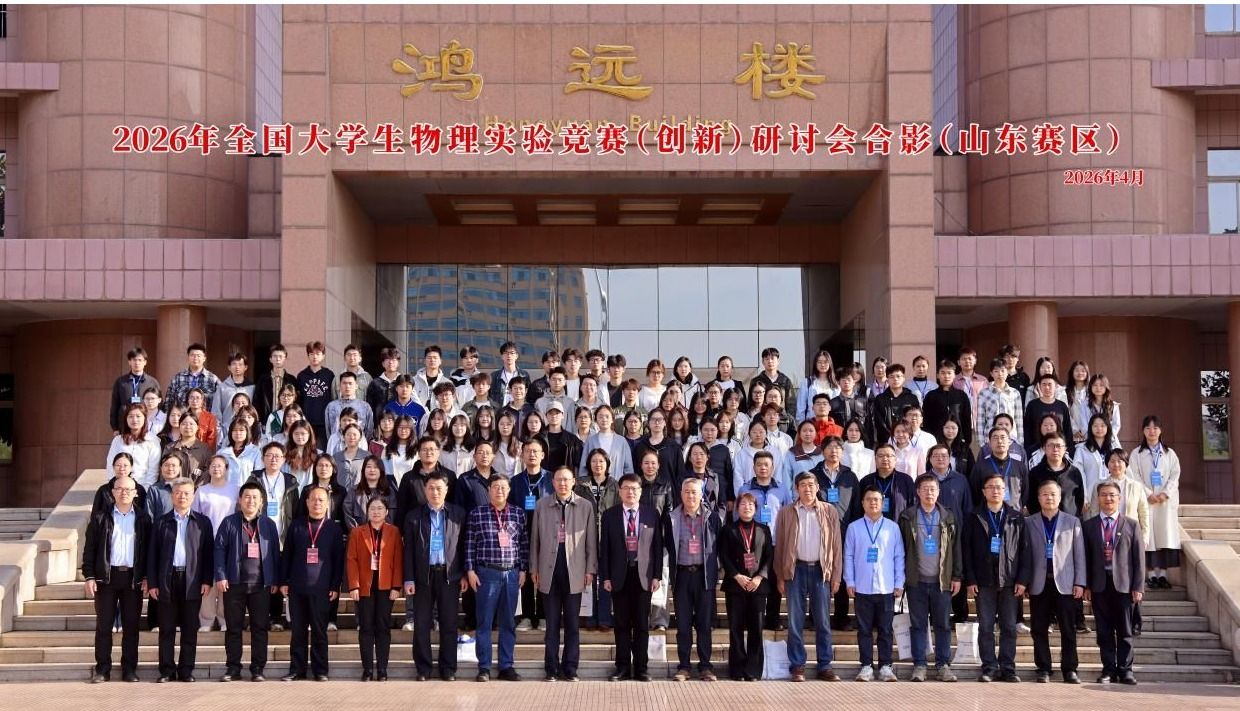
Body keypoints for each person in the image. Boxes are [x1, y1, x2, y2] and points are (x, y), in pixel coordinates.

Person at [530, 466, 597, 682]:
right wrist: (534, 568)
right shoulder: (542, 505)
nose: (562, 483)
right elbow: (534, 540)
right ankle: (551, 668)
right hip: (548, 570)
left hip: (574, 571)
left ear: (574, 481)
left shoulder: (585, 506)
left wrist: (590, 569)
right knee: (551, 625)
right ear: (553, 483)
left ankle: (570, 668)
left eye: (566, 480)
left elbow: (591, 541)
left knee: (572, 625)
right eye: (558, 480)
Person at [962, 473, 1031, 683]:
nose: (995, 491)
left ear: (1005, 491)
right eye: (991, 487)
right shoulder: (973, 517)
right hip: (983, 581)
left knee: (1009, 627)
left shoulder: (1016, 517)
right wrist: (970, 579)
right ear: (984, 492)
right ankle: (989, 667)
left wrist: (1022, 580)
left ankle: (1008, 667)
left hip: (1010, 581)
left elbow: (1025, 551)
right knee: (986, 627)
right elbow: (967, 551)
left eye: (999, 487)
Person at [775, 471, 843, 682]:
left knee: (822, 621)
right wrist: (780, 575)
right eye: (803, 485)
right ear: (796, 488)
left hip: (820, 571)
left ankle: (825, 665)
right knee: (795, 621)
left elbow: (836, 545)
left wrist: (836, 576)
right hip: (795, 570)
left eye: (811, 485)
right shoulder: (786, 512)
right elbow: (780, 545)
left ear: (817, 488)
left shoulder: (829, 511)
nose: (807, 489)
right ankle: (797, 666)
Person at [84, 475, 151, 683]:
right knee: (104, 626)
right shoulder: (100, 518)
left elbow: (149, 551)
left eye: (128, 489)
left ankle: (129, 669)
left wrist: (147, 576)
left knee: (131, 626)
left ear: (136, 493)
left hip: (132, 579)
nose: (124, 492)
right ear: (112, 492)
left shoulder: (143, 519)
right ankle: (102, 669)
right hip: (107, 578)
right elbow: (90, 549)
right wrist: (89, 576)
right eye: (119, 489)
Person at [147, 477, 214, 683]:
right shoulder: (161, 522)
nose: (182, 497)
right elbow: (152, 554)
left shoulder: (202, 522)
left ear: (193, 496)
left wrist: (207, 580)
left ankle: (186, 670)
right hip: (167, 579)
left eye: (186, 493)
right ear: (172, 496)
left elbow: (208, 554)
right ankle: (167, 670)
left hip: (192, 580)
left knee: (189, 629)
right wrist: (153, 583)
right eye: (178, 493)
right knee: (166, 629)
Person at [213, 481, 280, 682]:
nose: (251, 501)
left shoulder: (269, 525)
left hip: (261, 585)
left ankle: (258, 668)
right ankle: (233, 668)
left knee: (260, 628)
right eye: (247, 497)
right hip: (234, 584)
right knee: (234, 628)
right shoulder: (229, 523)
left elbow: (275, 554)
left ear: (261, 502)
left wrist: (274, 579)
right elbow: (219, 550)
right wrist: (221, 575)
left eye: (255, 497)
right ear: (240, 500)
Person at [404, 471, 468, 681]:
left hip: (450, 576)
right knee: (422, 624)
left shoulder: (458, 514)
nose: (435, 492)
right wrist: (409, 578)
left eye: (439, 488)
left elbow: (464, 546)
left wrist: (464, 574)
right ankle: (423, 669)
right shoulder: (414, 516)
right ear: (425, 490)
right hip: (423, 576)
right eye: (431, 488)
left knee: (449, 624)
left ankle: (448, 668)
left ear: (446, 490)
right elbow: (408, 550)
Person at [599, 473, 663, 682]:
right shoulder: (610, 515)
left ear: (640, 491)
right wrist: (605, 577)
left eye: (634, 488)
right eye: (626, 488)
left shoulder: (651, 514)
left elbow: (657, 547)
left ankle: (641, 668)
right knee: (621, 625)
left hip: (644, 576)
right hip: (619, 576)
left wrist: (657, 575)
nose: (630, 492)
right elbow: (604, 549)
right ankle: (622, 667)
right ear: (619, 491)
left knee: (642, 625)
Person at [898, 474, 961, 682]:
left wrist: (957, 575)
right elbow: (901, 549)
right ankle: (920, 665)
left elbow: (956, 548)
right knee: (918, 625)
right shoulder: (908, 516)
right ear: (918, 492)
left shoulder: (948, 517)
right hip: (916, 581)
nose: (929, 493)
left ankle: (943, 665)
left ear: (938, 492)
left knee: (943, 625)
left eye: (933, 489)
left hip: (941, 581)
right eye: (925, 489)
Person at [466, 473, 528, 682]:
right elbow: (469, 544)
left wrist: (523, 569)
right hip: (486, 574)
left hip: (511, 574)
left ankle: (506, 666)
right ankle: (484, 667)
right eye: (495, 487)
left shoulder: (518, 514)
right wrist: (470, 570)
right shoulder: (477, 514)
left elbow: (523, 544)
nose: (499, 490)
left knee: (508, 622)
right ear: (488, 490)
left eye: (503, 487)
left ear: (509, 490)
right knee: (484, 622)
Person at [280, 485, 346, 682]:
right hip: (297, 587)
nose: (317, 503)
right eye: (313, 499)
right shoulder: (297, 526)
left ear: (328, 504)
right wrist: (283, 581)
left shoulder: (334, 528)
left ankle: (320, 670)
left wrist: (335, 585)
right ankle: (296, 670)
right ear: (307, 502)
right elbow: (287, 555)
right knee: (298, 632)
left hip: (322, 588)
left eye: (321, 500)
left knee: (319, 631)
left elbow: (338, 560)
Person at [1024, 479, 1086, 684]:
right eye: (1045, 494)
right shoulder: (1029, 522)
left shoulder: (1072, 522)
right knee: (1039, 628)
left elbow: (1079, 555)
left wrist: (1080, 582)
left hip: (1066, 584)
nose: (1049, 498)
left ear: (1060, 498)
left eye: (1053, 494)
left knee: (1068, 629)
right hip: (1039, 583)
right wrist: (1025, 581)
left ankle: (1070, 669)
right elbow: (1025, 555)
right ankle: (1043, 668)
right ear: (1038, 498)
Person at [1084, 479, 1145, 685]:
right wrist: (1086, 585)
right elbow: (1086, 558)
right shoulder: (1089, 526)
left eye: (1112, 495)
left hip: (1124, 586)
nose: (1108, 498)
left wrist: (1138, 586)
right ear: (1098, 498)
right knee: (1104, 631)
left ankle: (1126, 670)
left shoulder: (1132, 525)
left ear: (1119, 499)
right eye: (1104, 495)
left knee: (1125, 631)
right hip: (1099, 585)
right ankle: (1108, 669)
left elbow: (1139, 559)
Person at [665, 477, 722, 682]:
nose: (690, 496)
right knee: (683, 624)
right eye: (687, 492)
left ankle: (705, 666)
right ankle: (684, 666)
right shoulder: (671, 518)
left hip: (703, 576)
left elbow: (720, 546)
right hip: (681, 576)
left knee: (704, 624)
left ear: (701, 495)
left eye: (694, 492)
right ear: (681, 494)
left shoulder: (712, 518)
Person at [845, 486, 905, 682]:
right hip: (862, 587)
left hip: (886, 587)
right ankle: (866, 666)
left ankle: (886, 666)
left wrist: (899, 582)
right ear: (863, 503)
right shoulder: (854, 527)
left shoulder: (892, 527)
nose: (873, 503)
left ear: (882, 503)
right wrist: (850, 580)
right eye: (869, 499)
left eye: (876, 499)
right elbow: (848, 555)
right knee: (864, 630)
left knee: (885, 630)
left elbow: (899, 556)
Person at [718, 491, 773, 681]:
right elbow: (723, 555)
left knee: (756, 628)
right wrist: (736, 575)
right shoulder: (728, 530)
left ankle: (753, 670)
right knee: (736, 628)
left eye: (750, 504)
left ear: (755, 508)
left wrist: (760, 577)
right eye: (743, 504)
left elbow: (769, 556)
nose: (747, 507)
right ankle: (737, 669)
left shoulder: (764, 530)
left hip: (758, 587)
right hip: (735, 586)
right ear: (737, 508)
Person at [346, 496, 403, 681]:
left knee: (383, 627)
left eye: (380, 508)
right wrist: (353, 585)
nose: (376, 512)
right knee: (366, 627)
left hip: (386, 586)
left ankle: (382, 669)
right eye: (372, 508)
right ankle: (368, 669)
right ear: (367, 511)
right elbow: (351, 560)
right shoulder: (357, 532)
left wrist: (396, 586)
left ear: (386, 512)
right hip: (364, 586)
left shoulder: (394, 531)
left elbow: (398, 559)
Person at [1127, 416, 1181, 589]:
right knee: (1149, 538)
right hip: (1146, 502)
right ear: (1143, 431)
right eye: (1148, 428)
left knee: (1164, 537)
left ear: (1160, 430)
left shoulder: (1169, 453)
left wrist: (1165, 493)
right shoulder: (1136, 454)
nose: (1152, 431)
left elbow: (1175, 475)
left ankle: (1163, 575)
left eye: (1155, 428)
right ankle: (1150, 575)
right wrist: (1148, 493)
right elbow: (1133, 476)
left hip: (1164, 503)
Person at [1027, 432, 1085, 517]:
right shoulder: (1035, 472)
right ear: (1044, 448)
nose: (1055, 449)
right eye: (1051, 445)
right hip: (1042, 521)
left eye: (1058, 446)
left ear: (1065, 449)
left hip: (1069, 521)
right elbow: (1031, 500)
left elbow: (1080, 499)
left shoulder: (1074, 472)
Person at [972, 427, 1028, 511]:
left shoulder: (1020, 466)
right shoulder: (980, 467)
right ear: (989, 443)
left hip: (1014, 514)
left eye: (1003, 437)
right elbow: (975, 493)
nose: (1000, 441)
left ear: (1009, 442)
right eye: (995, 438)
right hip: (988, 514)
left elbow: (1025, 493)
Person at [107, 403, 161, 486]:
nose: (134, 420)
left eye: (138, 416)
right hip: (120, 487)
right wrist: (115, 485)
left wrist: (145, 489)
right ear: (126, 419)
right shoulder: (118, 440)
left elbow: (153, 471)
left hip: (142, 486)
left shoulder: (152, 440)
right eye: (131, 416)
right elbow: (111, 465)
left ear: (144, 418)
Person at [858, 443, 916, 521]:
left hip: (898, 524)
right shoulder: (866, 481)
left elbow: (912, 506)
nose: (885, 459)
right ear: (875, 459)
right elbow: (859, 507)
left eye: (889, 456)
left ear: (895, 459)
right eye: (881, 456)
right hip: (871, 525)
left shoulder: (906, 480)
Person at [110, 347, 161, 435]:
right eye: (134, 360)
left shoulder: (152, 382)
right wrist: (115, 428)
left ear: (145, 362)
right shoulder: (121, 382)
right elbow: (115, 405)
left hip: (147, 425)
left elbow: (160, 405)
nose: (137, 363)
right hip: (124, 425)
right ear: (129, 362)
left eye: (140, 360)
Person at [867, 363, 918, 446]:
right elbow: (879, 423)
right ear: (887, 379)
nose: (895, 379)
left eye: (898, 376)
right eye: (891, 376)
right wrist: (892, 438)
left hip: (909, 441)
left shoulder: (912, 398)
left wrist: (905, 435)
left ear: (903, 378)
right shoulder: (880, 399)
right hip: (886, 441)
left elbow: (915, 419)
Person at [977, 358, 1024, 446]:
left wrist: (1020, 443)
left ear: (1007, 372)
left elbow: (1019, 420)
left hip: (1011, 439)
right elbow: (980, 420)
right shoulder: (984, 393)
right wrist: (982, 443)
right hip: (990, 439)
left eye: (1003, 370)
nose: (1000, 374)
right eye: (996, 371)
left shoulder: (1015, 393)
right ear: (991, 373)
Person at [924, 359, 972, 444]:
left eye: (949, 373)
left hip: (958, 441)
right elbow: (927, 420)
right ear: (938, 375)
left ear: (954, 375)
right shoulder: (931, 396)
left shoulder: (962, 396)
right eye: (943, 373)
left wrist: (967, 440)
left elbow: (966, 420)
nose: (946, 376)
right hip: (936, 441)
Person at [165, 342, 220, 412]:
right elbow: (169, 400)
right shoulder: (178, 378)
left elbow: (220, 402)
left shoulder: (213, 379)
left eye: (198, 356)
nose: (195, 358)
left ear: (204, 358)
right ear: (188, 358)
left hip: (205, 417)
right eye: (192, 355)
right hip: (183, 417)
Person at [1024, 374, 1072, 450]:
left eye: (1050, 384)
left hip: (1057, 449)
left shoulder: (1062, 406)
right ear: (1039, 386)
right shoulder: (1032, 405)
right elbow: (1027, 429)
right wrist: (1028, 448)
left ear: (1056, 387)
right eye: (1044, 384)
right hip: (1037, 448)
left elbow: (1067, 429)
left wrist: (1069, 448)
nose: (1047, 387)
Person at [213, 353, 255, 430]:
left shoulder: (252, 387)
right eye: (234, 364)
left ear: (246, 367)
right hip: (227, 428)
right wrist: (219, 429)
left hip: (247, 429)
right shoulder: (222, 387)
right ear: (229, 367)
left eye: (240, 364)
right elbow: (216, 410)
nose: (237, 367)